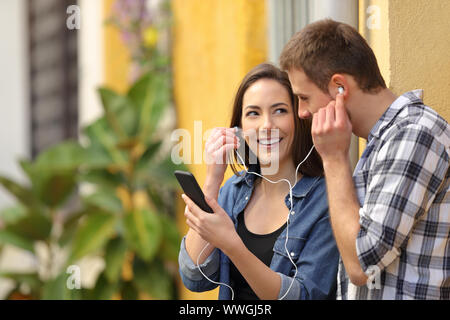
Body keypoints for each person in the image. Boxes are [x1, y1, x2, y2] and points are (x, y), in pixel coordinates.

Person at [279, 19, 449, 300]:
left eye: (304, 97)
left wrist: (333, 160)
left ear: (339, 88)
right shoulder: (382, 141)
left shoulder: (415, 133)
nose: (301, 112)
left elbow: (361, 263)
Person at [178, 63, 340, 300]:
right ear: (239, 129)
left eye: (280, 111)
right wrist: (213, 180)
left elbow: (304, 296)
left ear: (298, 118)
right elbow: (195, 276)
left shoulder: (325, 199)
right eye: (253, 113)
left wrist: (234, 247)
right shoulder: (233, 191)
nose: (266, 126)